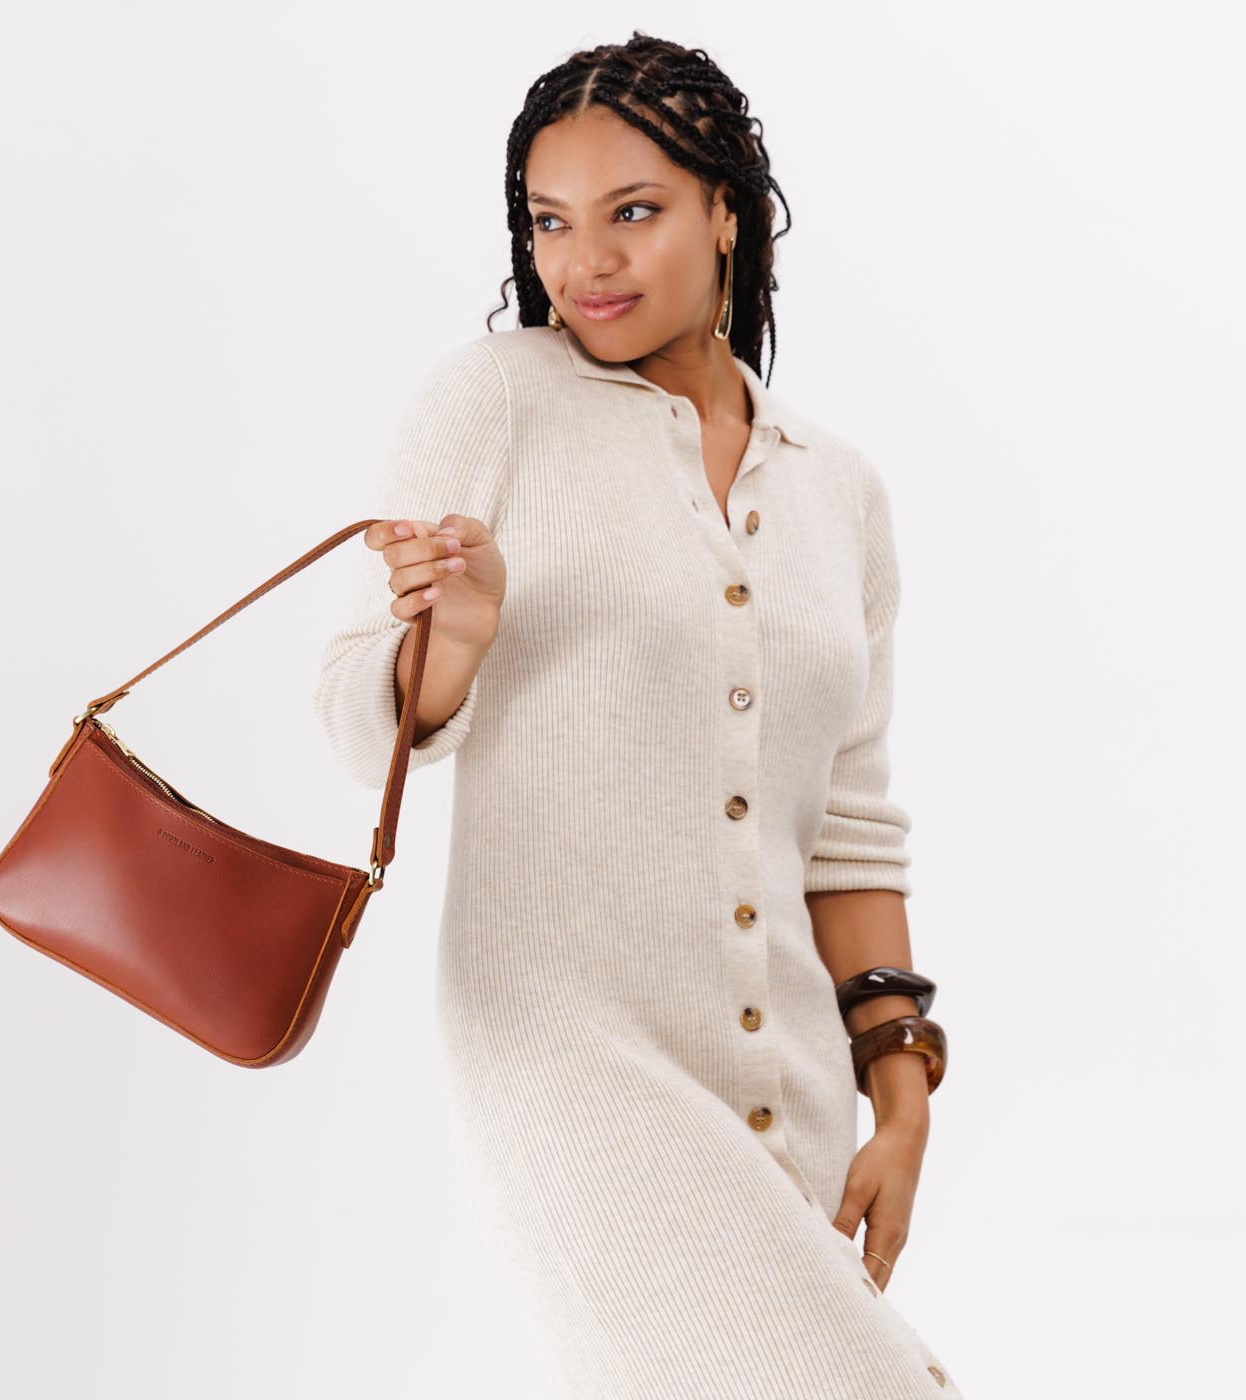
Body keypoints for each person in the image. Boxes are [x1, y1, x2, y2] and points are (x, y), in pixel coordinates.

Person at [316, 31, 963, 1400]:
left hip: (791, 1081)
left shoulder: (838, 490)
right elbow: (353, 724)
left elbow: (849, 826)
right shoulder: (496, 404)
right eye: (550, 221)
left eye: (634, 212)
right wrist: (455, 643)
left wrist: (900, 1097)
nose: (584, 263)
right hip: (567, 1048)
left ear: (729, 211)